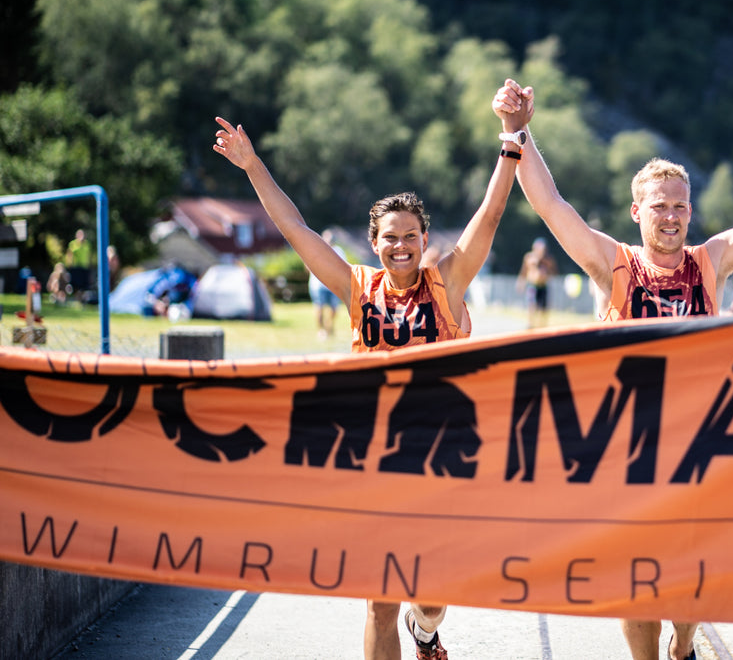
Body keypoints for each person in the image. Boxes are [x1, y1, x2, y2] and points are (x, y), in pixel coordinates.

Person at [493, 78, 733, 660]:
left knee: (688, 588)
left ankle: (684, 646)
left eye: (680, 204)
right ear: (637, 211)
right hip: (626, 451)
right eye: (659, 205)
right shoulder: (612, 263)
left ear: (691, 211)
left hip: (697, 450)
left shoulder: (711, 262)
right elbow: (551, 206)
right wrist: (517, 132)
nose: (670, 215)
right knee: (635, 589)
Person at [213, 95, 527, 660]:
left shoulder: (447, 284)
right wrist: (252, 165)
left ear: (424, 241)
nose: (400, 247)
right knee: (378, 598)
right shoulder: (358, 288)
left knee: (432, 593)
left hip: (445, 456)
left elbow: (491, 215)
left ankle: (426, 629)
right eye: (389, 237)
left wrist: (511, 138)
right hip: (376, 460)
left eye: (410, 236)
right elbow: (295, 229)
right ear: (374, 242)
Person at [309, 229, 344, 340]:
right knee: (319, 307)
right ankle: (321, 330)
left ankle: (329, 327)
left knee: (334, 308)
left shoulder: (339, 251)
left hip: (333, 285)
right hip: (318, 285)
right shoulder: (316, 249)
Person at [516, 236, 558, 327]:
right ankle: (530, 324)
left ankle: (542, 326)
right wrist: (520, 283)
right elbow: (523, 271)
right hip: (532, 285)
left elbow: (555, 273)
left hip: (543, 286)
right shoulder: (529, 257)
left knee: (543, 308)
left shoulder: (548, 259)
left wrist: (547, 267)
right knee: (532, 305)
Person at [65, 228, 93, 297]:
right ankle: (76, 297)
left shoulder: (87, 244)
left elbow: (89, 255)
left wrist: (89, 264)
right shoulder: (73, 244)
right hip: (75, 266)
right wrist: (69, 263)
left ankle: (82, 298)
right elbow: (69, 254)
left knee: (84, 285)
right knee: (76, 284)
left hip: (84, 267)